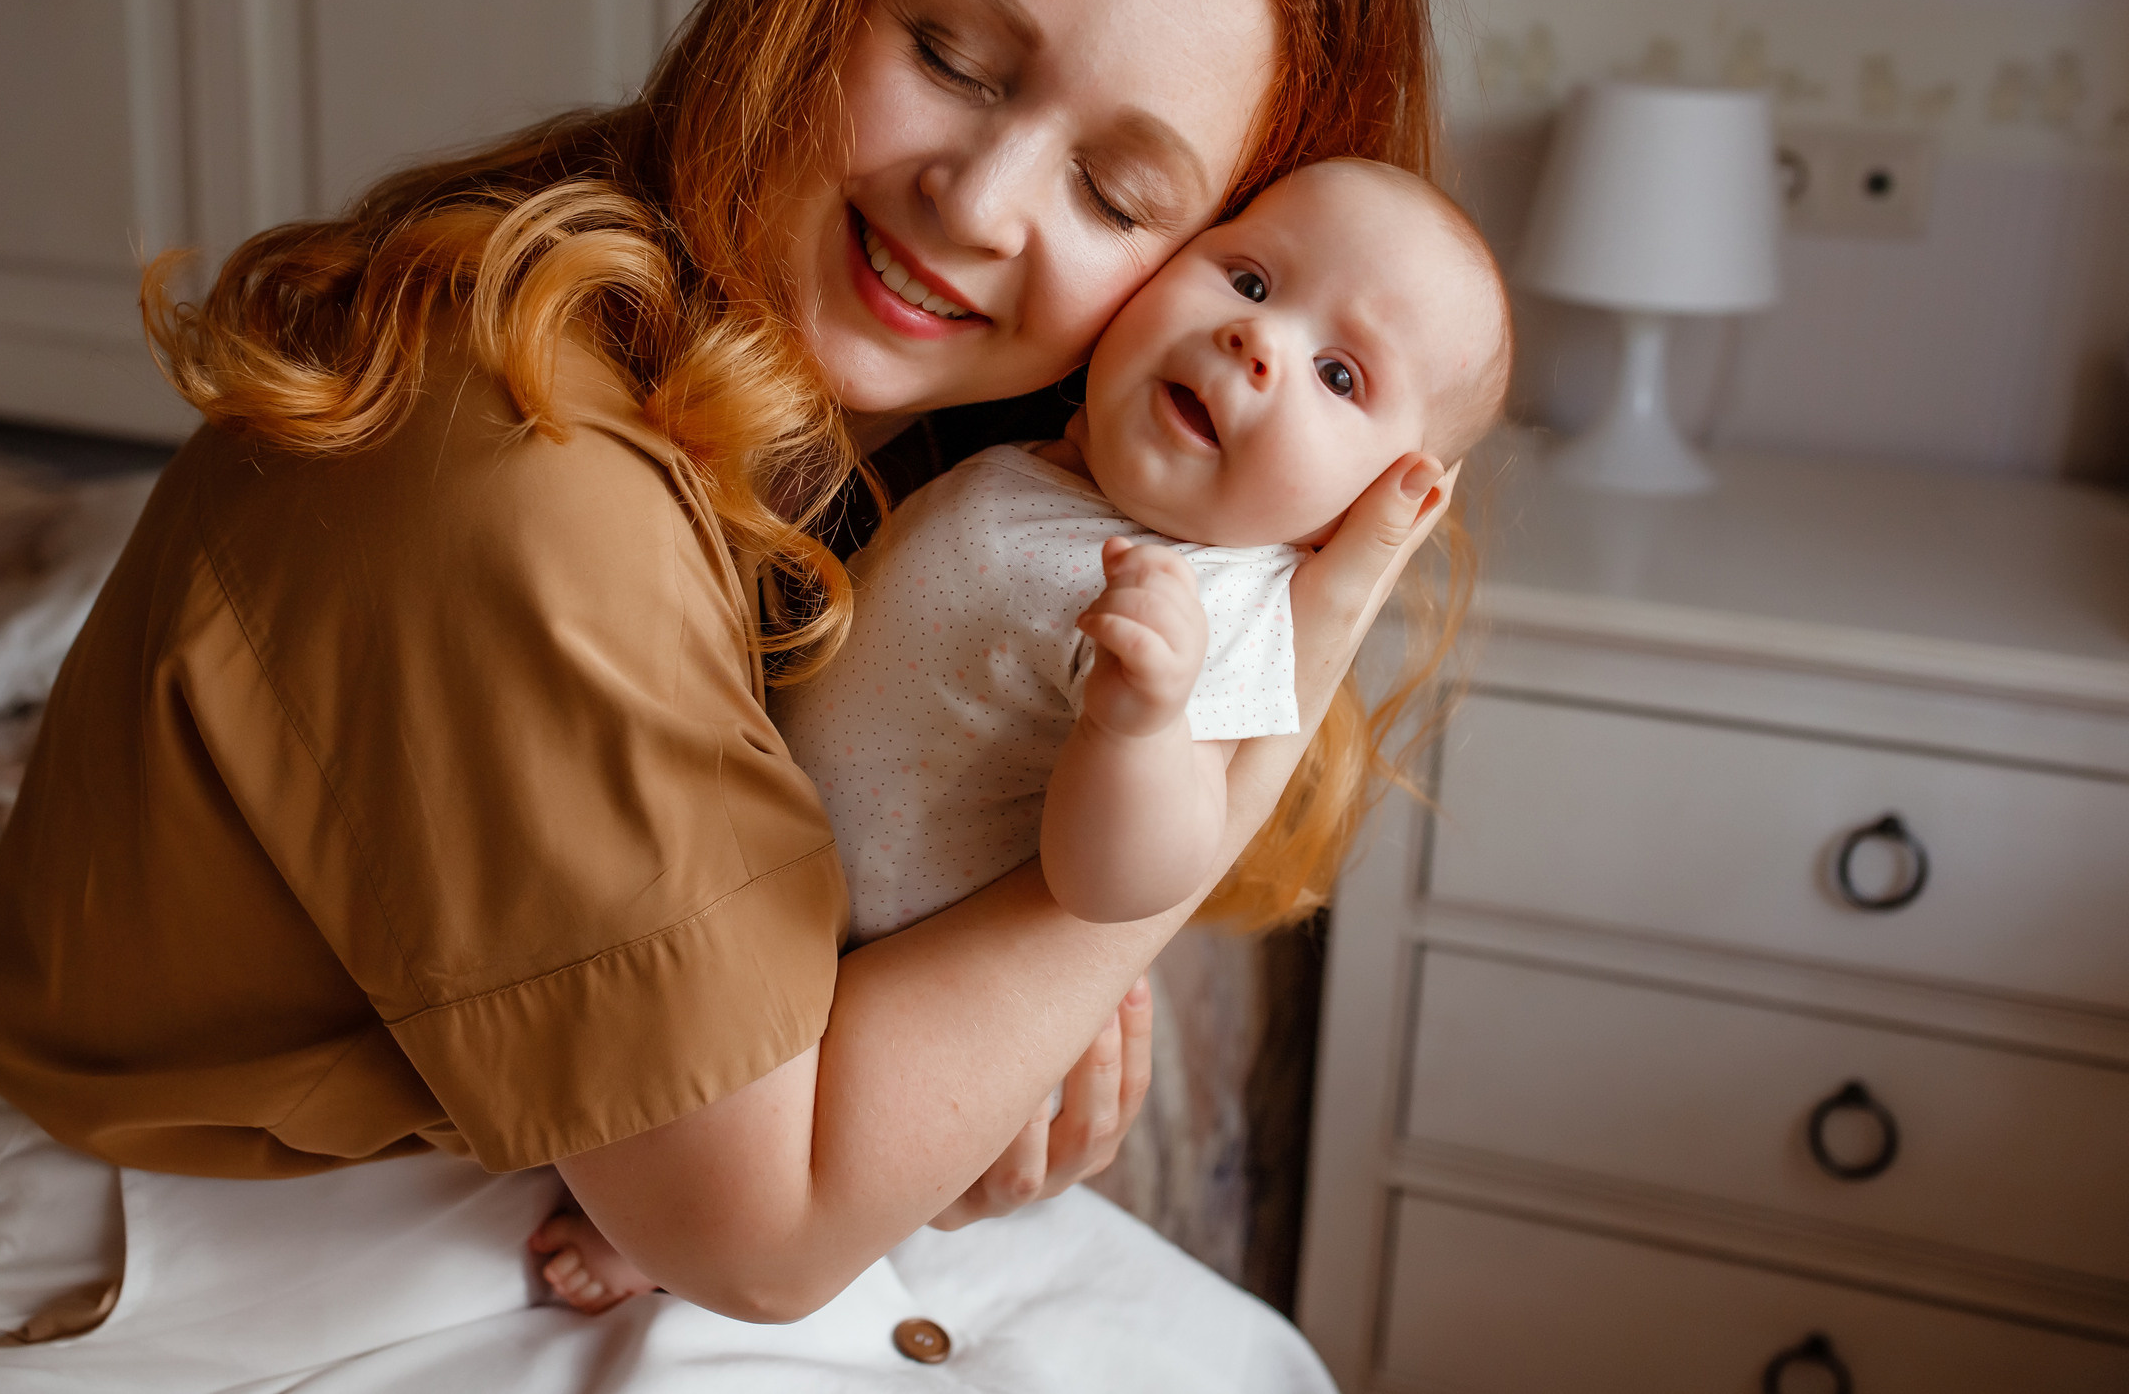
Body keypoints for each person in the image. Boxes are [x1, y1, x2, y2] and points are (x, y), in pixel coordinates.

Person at [0, 0, 1468, 1389]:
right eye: (955, 58)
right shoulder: (523, 468)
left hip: (529, 1163)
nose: (978, 202)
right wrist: (1216, 763)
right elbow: (759, 1234)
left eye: (1119, 196)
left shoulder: (923, 456)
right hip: (151, 1280)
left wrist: (948, 1090)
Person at [530, 159, 1510, 1313]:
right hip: (771, 873)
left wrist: (1139, 726)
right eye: (1249, 280)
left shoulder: (1213, 609)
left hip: (878, 963)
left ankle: (655, 1241)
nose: (1257, 343)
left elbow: (1123, 883)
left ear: (1375, 502)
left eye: (1339, 374)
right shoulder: (1051, 462)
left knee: (709, 1099)